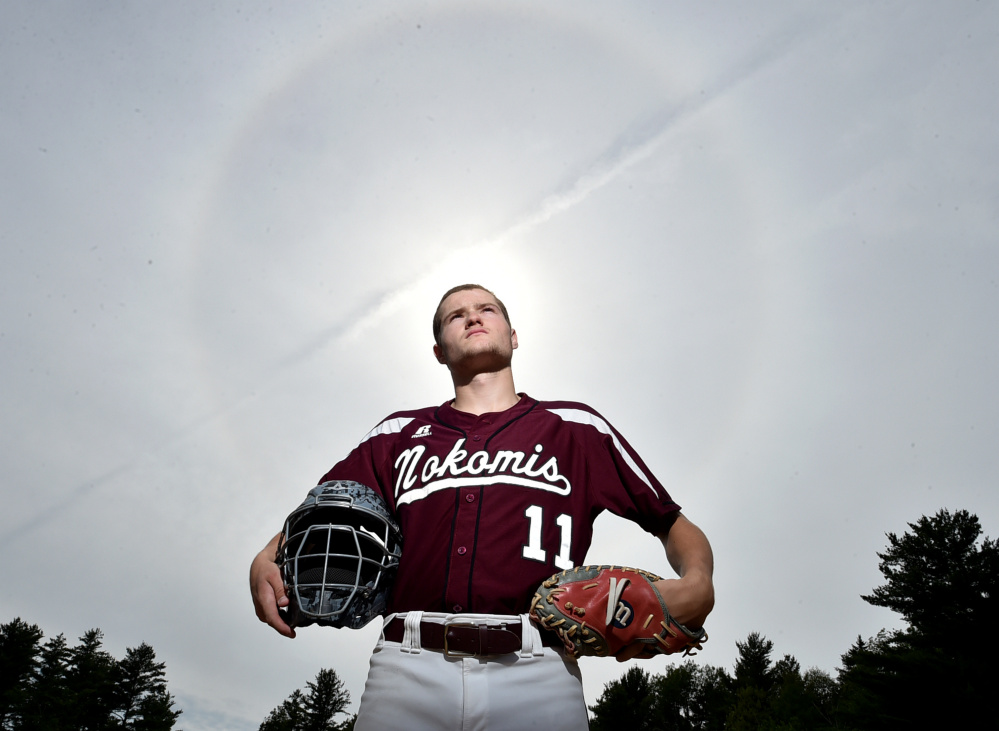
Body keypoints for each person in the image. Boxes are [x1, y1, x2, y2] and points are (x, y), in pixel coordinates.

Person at [250, 284, 715, 730]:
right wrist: (266, 556)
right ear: (439, 350)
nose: (472, 316)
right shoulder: (396, 434)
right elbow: (323, 508)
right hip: (407, 665)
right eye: (455, 315)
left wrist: (698, 584)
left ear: (513, 337)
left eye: (486, 309)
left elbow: (669, 521)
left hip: (539, 668)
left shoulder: (576, 427)